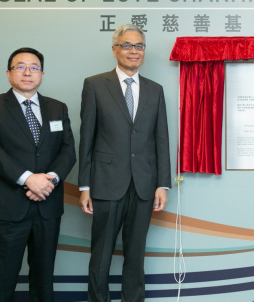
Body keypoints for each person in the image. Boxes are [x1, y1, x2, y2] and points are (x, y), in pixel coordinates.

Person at [79, 24, 171, 302]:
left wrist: (162, 184)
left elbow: (161, 139)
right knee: (101, 257)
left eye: (139, 46)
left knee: (135, 256)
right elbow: (87, 138)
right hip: (106, 184)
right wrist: (84, 185)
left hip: (144, 187)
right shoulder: (94, 85)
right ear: (115, 49)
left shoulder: (155, 90)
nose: (134, 51)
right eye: (128, 45)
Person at [0, 47, 76, 301]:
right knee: (2, 280)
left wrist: (51, 180)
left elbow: (68, 150)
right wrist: (28, 178)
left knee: (44, 280)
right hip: (7, 206)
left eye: (34, 67)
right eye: (20, 67)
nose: (27, 72)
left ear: (42, 74)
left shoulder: (57, 108)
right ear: (8, 73)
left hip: (48, 205)